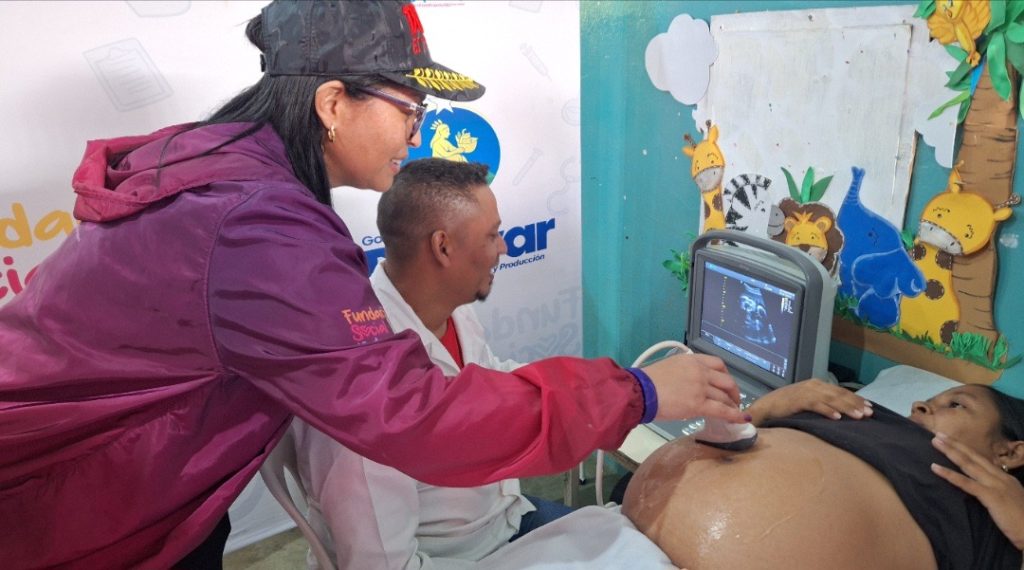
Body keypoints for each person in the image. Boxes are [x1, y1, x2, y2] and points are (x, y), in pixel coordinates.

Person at [0, 1, 747, 568]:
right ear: (332, 103)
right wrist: (635, 394)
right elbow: (411, 420)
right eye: (410, 110)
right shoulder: (255, 225)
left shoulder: (226, 174)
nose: (417, 135)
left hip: (141, 492)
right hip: (72, 513)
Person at [293, 158, 576, 568]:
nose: (503, 248)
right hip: (456, 555)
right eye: (492, 235)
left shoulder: (452, 311)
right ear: (443, 247)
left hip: (503, 519)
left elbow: (489, 381)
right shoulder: (361, 385)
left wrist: (585, 394)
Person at [622, 379, 1024, 569]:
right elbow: (728, 436)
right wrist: (768, 407)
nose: (920, 403)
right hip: (634, 535)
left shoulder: (996, 518)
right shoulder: (858, 410)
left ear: (1011, 450)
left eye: (957, 405)